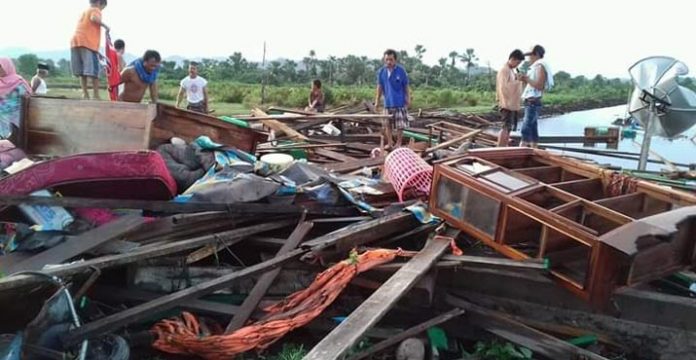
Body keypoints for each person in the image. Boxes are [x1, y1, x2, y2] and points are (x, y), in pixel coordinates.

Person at [70, 0, 109, 100]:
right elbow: (94, 18)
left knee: (82, 71)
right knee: (94, 71)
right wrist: (105, 26)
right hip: (88, 43)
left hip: (75, 42)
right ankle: (96, 95)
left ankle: (85, 93)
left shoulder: (84, 12)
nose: (101, 10)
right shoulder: (95, 10)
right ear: (100, 3)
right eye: (103, 8)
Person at [374, 49, 411, 148]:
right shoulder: (382, 72)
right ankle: (390, 143)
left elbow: (406, 85)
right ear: (384, 60)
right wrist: (377, 101)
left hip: (399, 102)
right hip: (388, 102)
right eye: (387, 59)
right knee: (387, 124)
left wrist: (408, 98)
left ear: (395, 60)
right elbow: (380, 87)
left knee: (400, 125)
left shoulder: (401, 71)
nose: (388, 62)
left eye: (391, 59)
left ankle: (398, 143)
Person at [519, 45, 554, 148]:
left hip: (532, 102)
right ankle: (534, 150)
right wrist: (525, 80)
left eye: (530, 55)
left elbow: (539, 85)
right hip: (531, 102)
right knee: (533, 129)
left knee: (525, 128)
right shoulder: (536, 66)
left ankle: (521, 150)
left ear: (537, 55)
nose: (529, 58)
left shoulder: (539, 66)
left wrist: (526, 79)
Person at [495, 49, 525, 147]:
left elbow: (509, 84)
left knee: (508, 128)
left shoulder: (511, 70)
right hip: (506, 103)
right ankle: (500, 147)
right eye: (518, 62)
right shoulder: (505, 70)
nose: (518, 65)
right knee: (505, 127)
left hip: (509, 103)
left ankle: (503, 146)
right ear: (512, 59)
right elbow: (504, 87)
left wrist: (517, 80)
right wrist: (518, 81)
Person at [0, 58, 32, 140]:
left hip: (17, 120)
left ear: (7, 67)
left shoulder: (19, 82)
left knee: (13, 145)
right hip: (2, 121)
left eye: (0, 67)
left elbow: (26, 100)